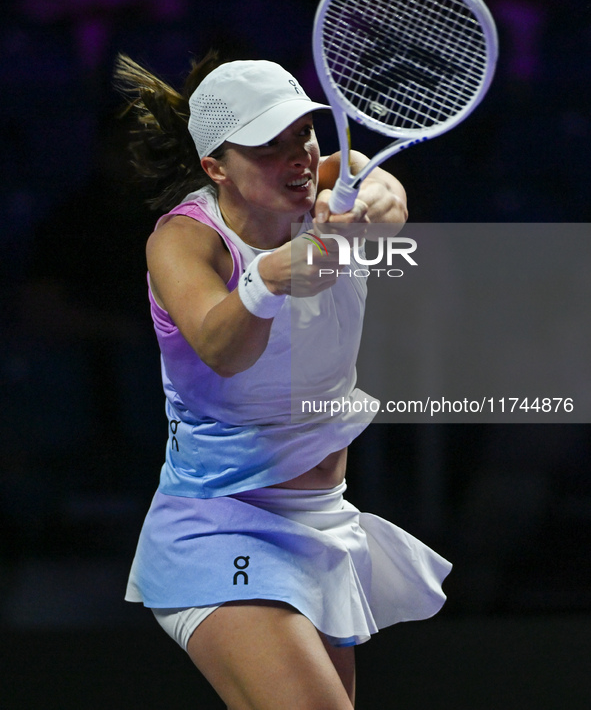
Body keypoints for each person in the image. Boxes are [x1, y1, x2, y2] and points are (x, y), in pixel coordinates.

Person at [115, 52, 451, 710]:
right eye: (267, 146)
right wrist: (266, 281)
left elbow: (383, 199)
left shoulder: (337, 184)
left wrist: (371, 215)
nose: (296, 156)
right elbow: (219, 346)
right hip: (221, 524)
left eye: (301, 132)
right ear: (216, 167)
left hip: (320, 525)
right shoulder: (184, 240)